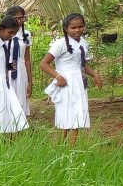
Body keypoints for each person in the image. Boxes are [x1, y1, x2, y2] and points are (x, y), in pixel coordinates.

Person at [40, 13, 103, 145]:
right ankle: (70, 149)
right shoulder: (60, 44)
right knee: (69, 114)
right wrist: (57, 76)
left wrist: (94, 75)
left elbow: (83, 64)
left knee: (76, 113)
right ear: (66, 29)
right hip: (66, 82)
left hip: (79, 81)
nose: (77, 30)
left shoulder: (84, 43)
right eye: (73, 28)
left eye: (80, 26)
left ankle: (65, 147)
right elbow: (44, 64)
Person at [4, 5, 33, 116]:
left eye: (22, 18)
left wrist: (30, 82)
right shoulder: (3, 34)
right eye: (17, 18)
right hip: (6, 69)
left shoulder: (26, 35)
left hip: (20, 70)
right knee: (7, 99)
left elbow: (27, 59)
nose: (20, 21)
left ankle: (19, 130)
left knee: (20, 100)